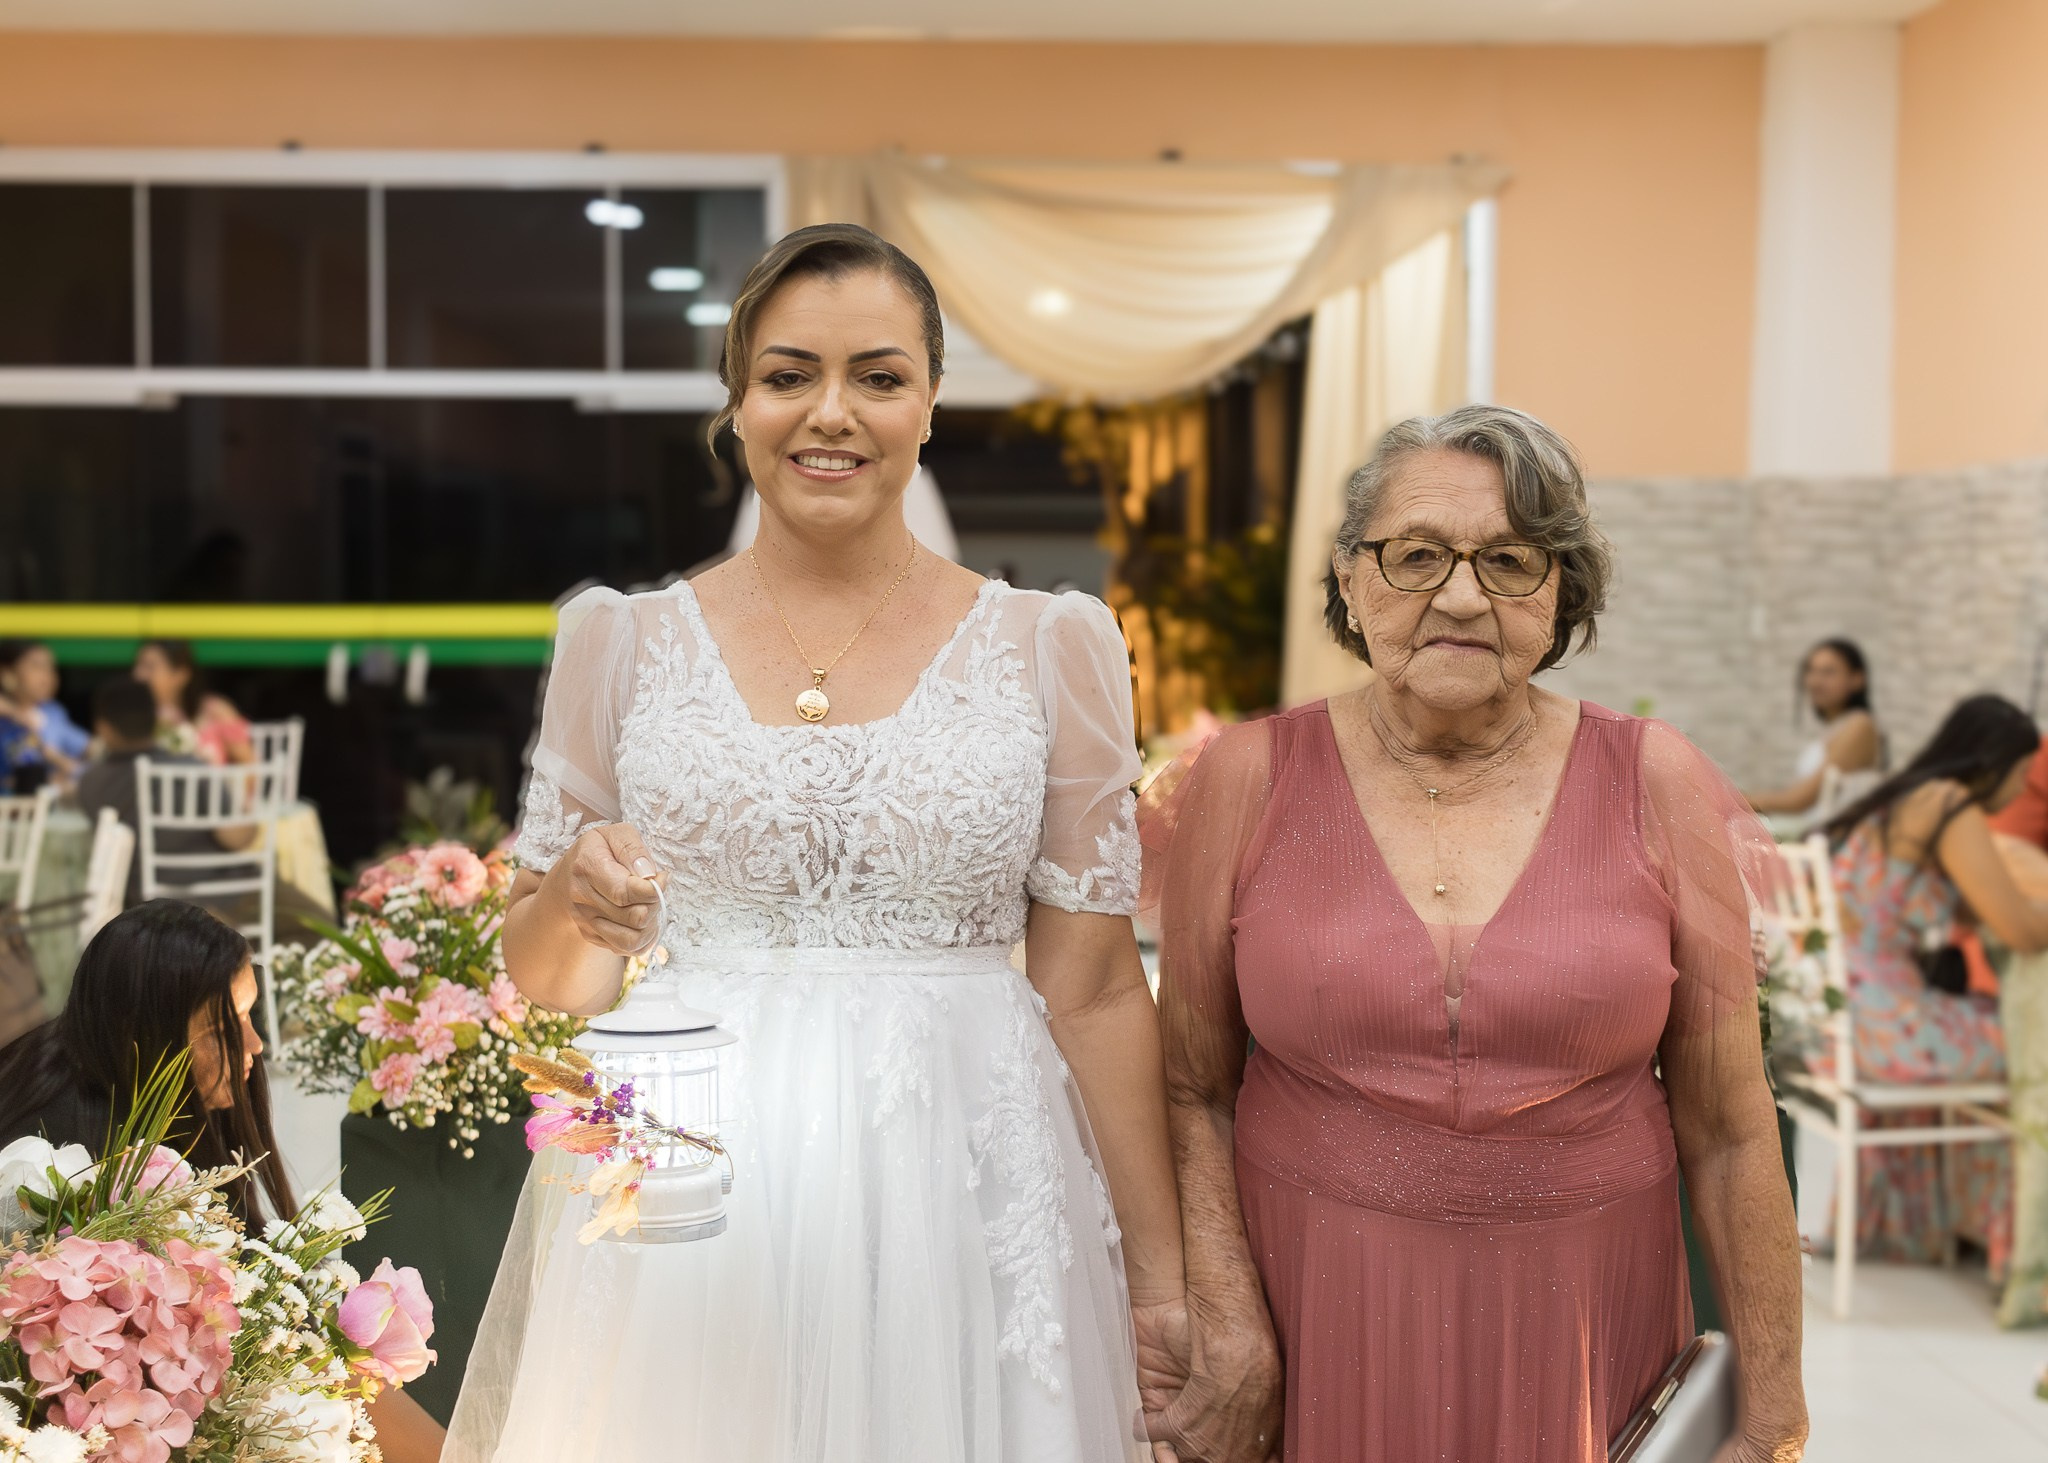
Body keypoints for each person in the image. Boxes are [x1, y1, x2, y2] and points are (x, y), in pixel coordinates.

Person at [447, 224, 1182, 1463]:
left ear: (930, 405)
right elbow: (549, 980)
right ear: (737, 405)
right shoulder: (618, 642)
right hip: (693, 1194)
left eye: (878, 377)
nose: (828, 413)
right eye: (788, 375)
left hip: (963, 1181)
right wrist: (579, 902)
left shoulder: (1050, 644)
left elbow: (1097, 983)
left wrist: (1162, 1279)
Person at [1143, 405, 1807, 1463]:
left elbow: (1730, 1126)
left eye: (1507, 559)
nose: (1458, 596)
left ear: (1559, 591)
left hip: (1590, 1312)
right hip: (1313, 1302)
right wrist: (1226, 1317)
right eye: (1414, 555)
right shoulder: (1247, 779)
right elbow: (1188, 1084)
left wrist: (1771, 1424)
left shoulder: (1655, 779)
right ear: (1352, 580)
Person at [0, 899, 445, 1462]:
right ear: (145, 1036)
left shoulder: (101, 1068)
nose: (255, 1046)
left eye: (250, 1015)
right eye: (222, 1029)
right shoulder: (87, 1171)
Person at [1820, 694, 2048, 1275]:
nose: (2021, 790)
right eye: (2021, 774)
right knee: (2030, 1047)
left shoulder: (1902, 800)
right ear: (1992, 763)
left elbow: (1961, 911)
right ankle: (2016, 1253)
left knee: (1992, 1022)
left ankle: (1971, 1233)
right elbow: (2021, 930)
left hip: (1840, 1022)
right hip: (1888, 1028)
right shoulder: (1951, 805)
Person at [73, 678, 257, 907]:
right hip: (220, 894)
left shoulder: (90, 782)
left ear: (103, 727)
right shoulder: (191, 768)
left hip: (143, 903)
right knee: (306, 920)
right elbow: (234, 838)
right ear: (154, 720)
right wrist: (251, 817)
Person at [1746, 638, 1883, 823]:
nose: (1815, 681)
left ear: (1857, 679)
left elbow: (1801, 800)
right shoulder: (1833, 728)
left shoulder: (1860, 725)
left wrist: (1737, 801)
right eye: (1811, 670)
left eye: (1828, 672)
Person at [133, 638, 252, 765]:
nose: (139, 675)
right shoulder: (132, 717)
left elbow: (250, 768)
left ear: (181, 674)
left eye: (150, 667)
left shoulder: (215, 711)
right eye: (138, 666)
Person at [0, 639, 89, 792]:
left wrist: (55, 760)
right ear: (7, 673)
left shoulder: (53, 712)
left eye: (51, 668)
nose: (48, 677)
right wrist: (15, 713)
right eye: (37, 667)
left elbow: (90, 750)